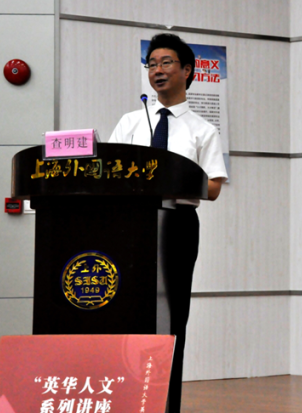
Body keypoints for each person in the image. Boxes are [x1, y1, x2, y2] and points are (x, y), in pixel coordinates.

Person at [108, 33, 228, 412]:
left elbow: (213, 188)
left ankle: (166, 402)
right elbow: (107, 173)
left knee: (172, 315)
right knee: (126, 310)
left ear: (187, 70)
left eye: (165, 63)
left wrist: (175, 179)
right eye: (151, 64)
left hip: (177, 225)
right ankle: (127, 398)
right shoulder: (130, 122)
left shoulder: (202, 130)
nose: (157, 71)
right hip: (131, 225)